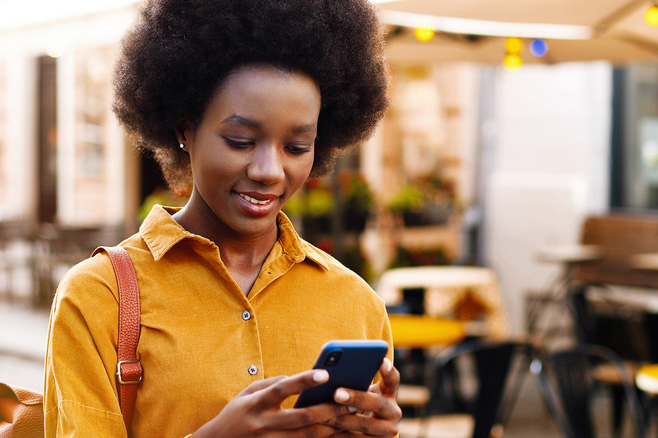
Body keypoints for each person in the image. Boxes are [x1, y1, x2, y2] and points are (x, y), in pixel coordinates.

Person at [44, 0, 400, 436]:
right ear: (183, 129)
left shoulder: (356, 303)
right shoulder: (100, 297)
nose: (269, 171)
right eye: (240, 140)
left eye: (296, 147)